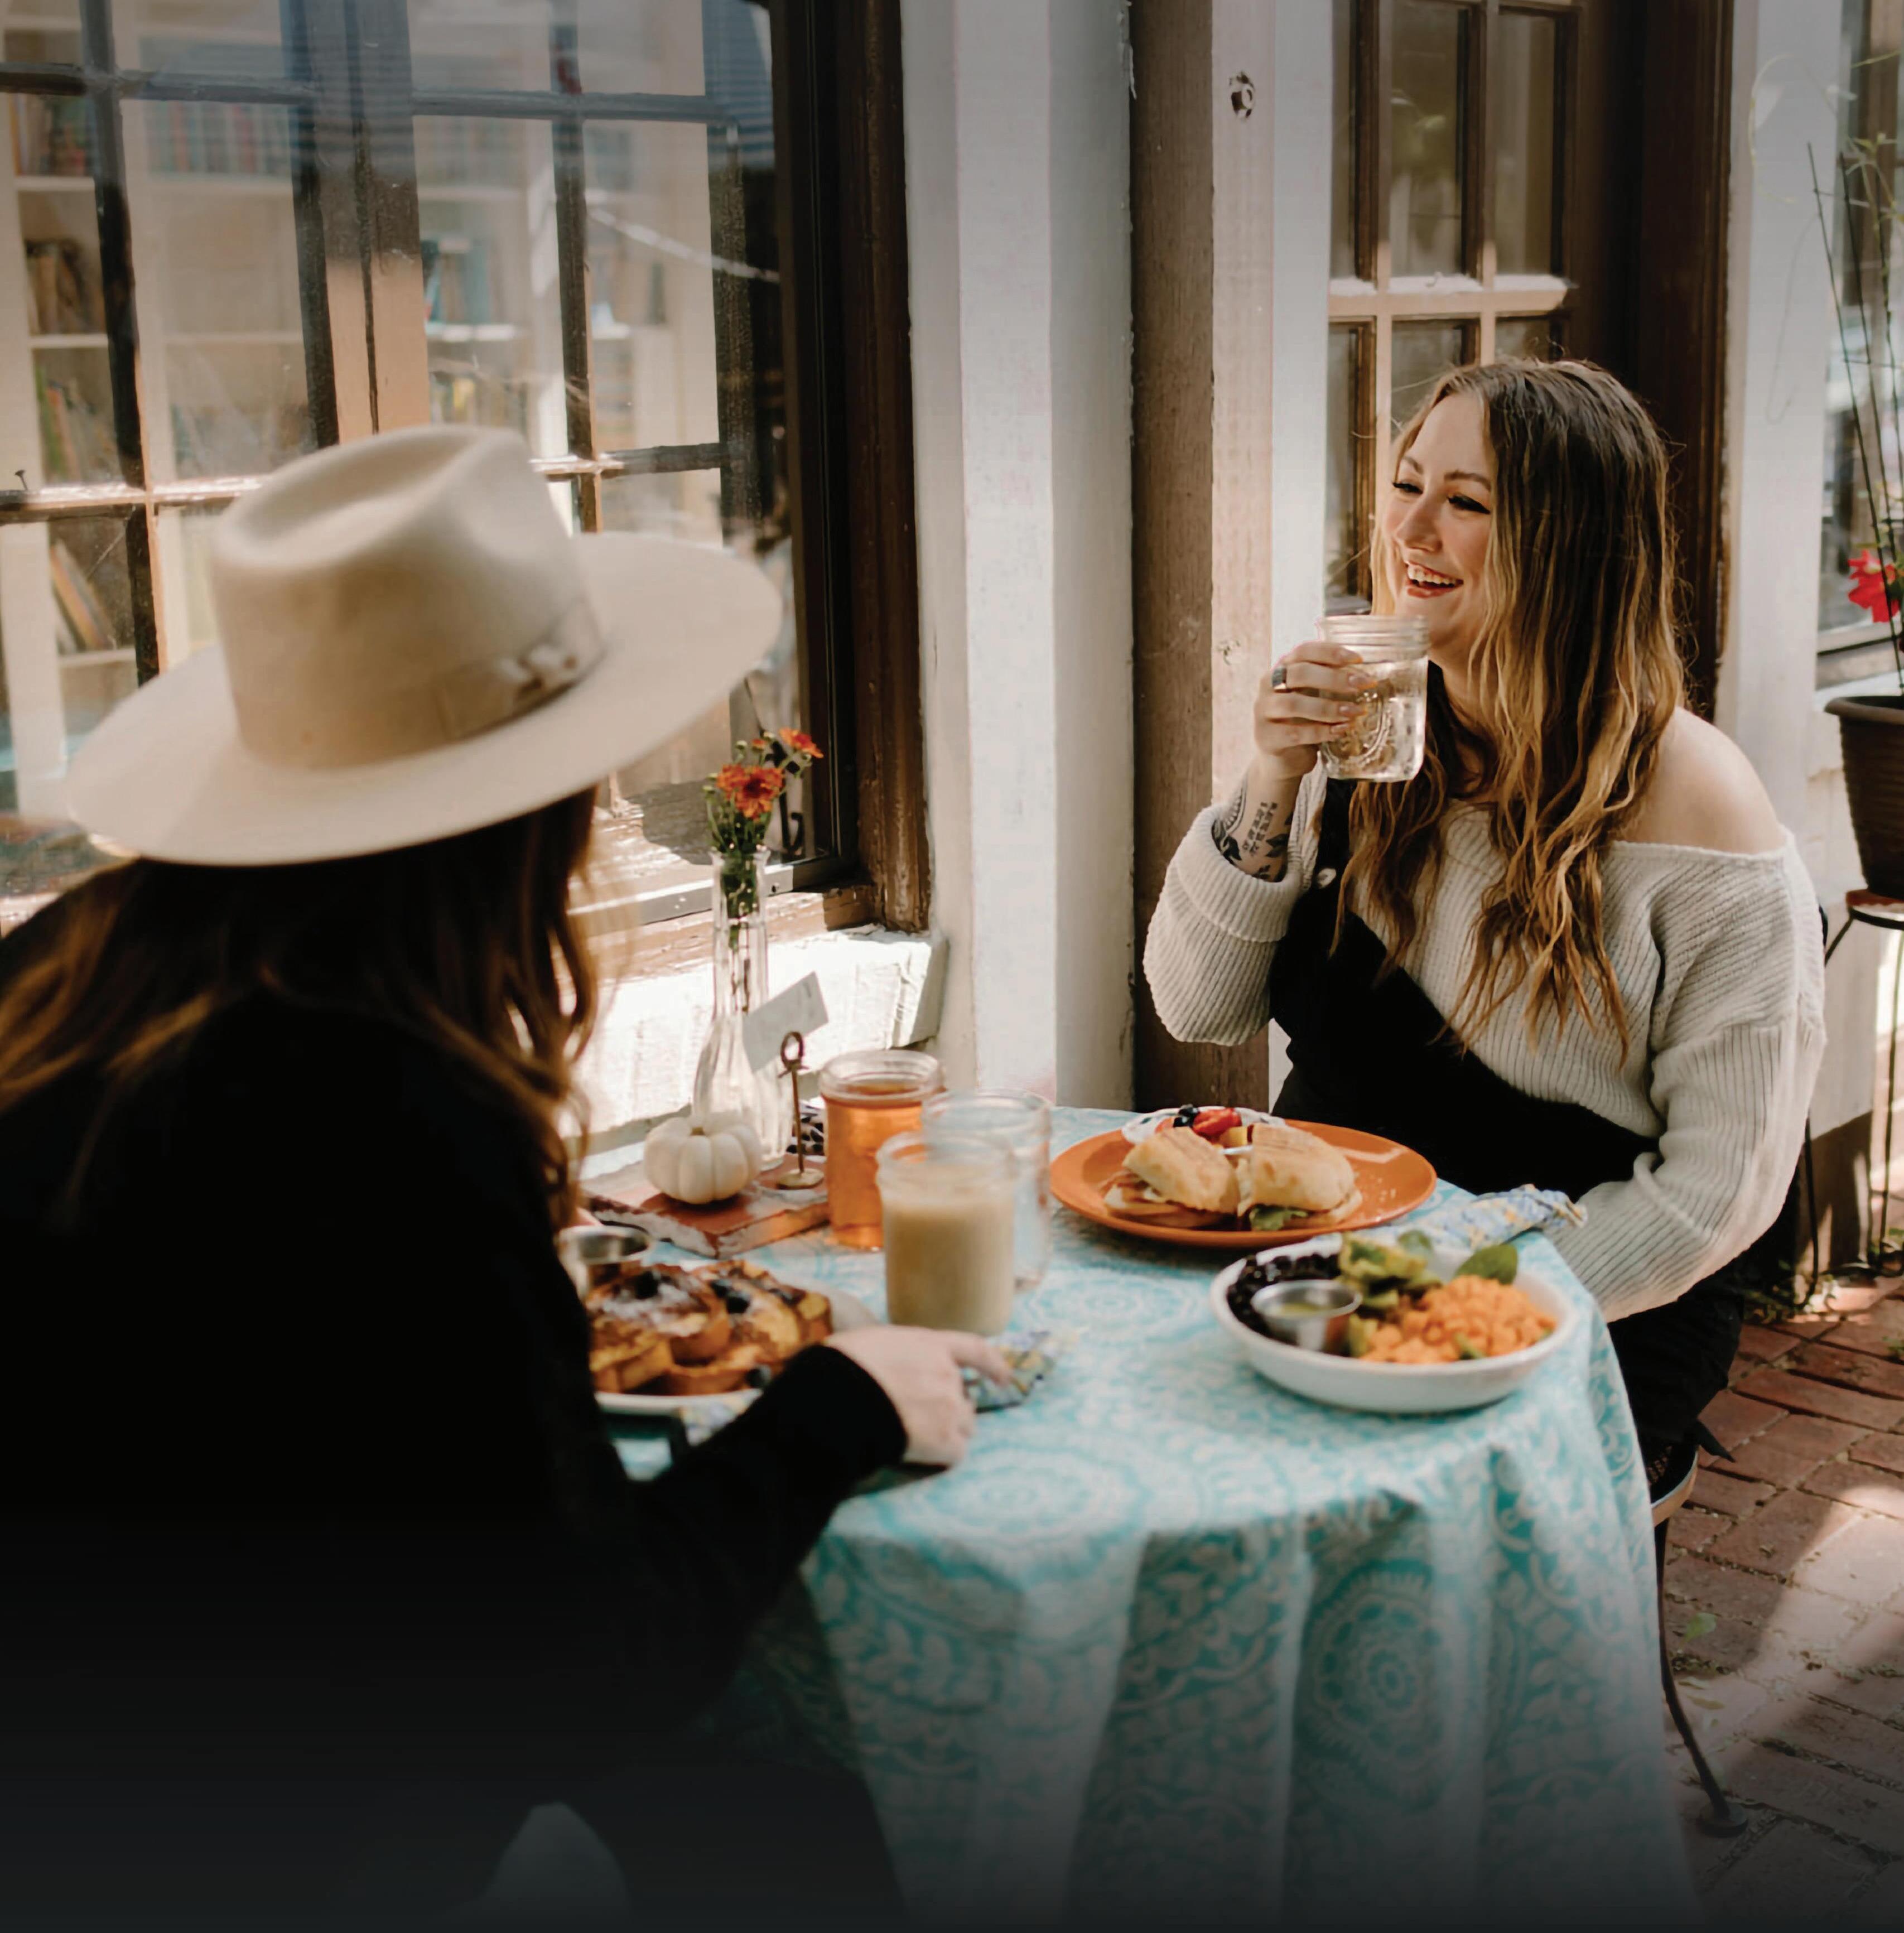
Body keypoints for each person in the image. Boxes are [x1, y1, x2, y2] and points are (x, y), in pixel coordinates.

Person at [0, 425, 1006, 1926]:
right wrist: (841, 1402)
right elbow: (577, 1667)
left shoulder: (63, 976)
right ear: (520, 821)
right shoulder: (389, 1113)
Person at [1145, 359, 1825, 1491]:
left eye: (1467, 502)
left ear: (1576, 546)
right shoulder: (1372, 730)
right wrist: (1274, 765)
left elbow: (1721, 1188)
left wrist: (1436, 1295)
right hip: (1316, 1264)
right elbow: (1197, 1002)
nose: (1411, 528)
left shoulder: (1699, 802)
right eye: (1406, 484)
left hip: (1577, 1300)